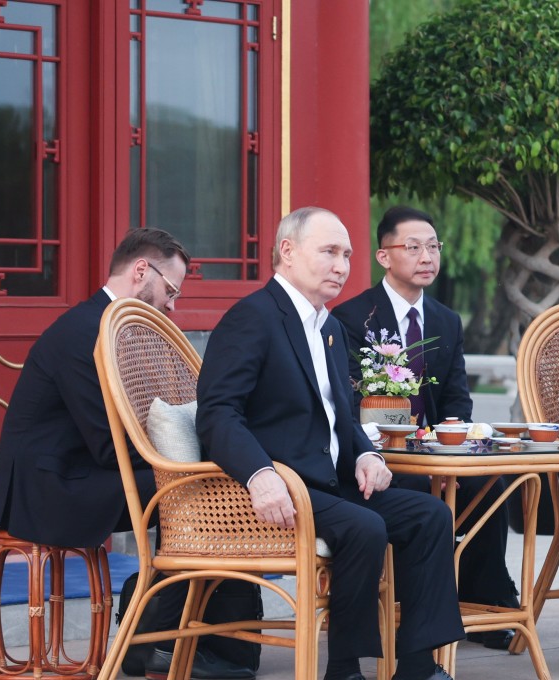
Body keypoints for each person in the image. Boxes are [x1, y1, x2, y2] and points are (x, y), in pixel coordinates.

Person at [196, 207, 464, 680]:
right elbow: (217, 416)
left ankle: (419, 665)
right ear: (288, 252)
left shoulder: (330, 329)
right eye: (329, 252)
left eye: (346, 254)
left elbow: (343, 414)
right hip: (280, 489)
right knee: (363, 527)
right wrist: (261, 475)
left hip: (329, 484)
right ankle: (344, 668)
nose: (341, 265)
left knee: (430, 514)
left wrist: (367, 453)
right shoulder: (252, 318)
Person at [0, 229, 252, 679]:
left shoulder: (119, 327)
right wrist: (189, 465)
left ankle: (175, 632)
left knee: (208, 485)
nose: (172, 304)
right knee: (198, 491)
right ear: (141, 271)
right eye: (171, 290)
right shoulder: (86, 330)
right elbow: (111, 448)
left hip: (85, 470)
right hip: (50, 487)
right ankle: (158, 633)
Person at [332, 206, 520, 650]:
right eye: (412, 247)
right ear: (384, 256)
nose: (426, 256)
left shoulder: (446, 321)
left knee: (491, 485)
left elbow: (456, 397)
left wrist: (453, 432)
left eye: (433, 247)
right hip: (379, 453)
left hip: (435, 449)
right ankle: (417, 609)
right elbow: (353, 399)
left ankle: (486, 602)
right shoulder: (351, 318)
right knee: (420, 495)